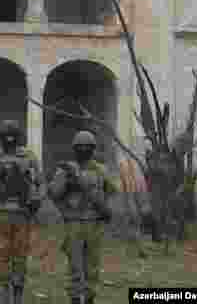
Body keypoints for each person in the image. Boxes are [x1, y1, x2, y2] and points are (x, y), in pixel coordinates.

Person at [0, 120, 43, 304]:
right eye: (6, 135)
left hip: (22, 213)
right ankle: (3, 294)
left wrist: (36, 200)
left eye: (13, 135)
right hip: (0, 213)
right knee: (2, 254)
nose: (9, 139)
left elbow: (40, 183)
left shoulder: (28, 156)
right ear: (1, 137)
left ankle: (18, 295)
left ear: (19, 136)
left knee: (20, 255)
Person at [47, 130, 119, 304]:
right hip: (74, 223)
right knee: (75, 266)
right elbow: (54, 194)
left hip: (94, 223)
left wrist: (104, 206)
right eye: (80, 147)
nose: (84, 149)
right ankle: (74, 298)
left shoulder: (101, 170)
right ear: (74, 149)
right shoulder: (65, 169)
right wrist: (67, 182)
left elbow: (112, 191)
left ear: (93, 149)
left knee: (92, 266)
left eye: (88, 147)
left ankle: (89, 298)